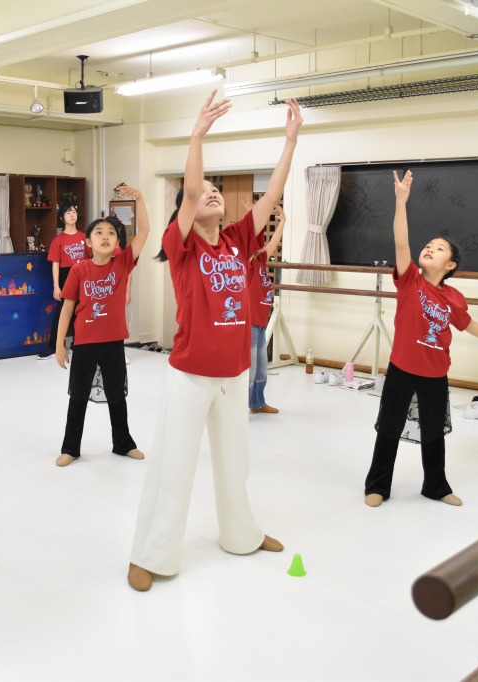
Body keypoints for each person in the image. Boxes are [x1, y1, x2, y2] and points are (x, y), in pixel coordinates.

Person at [127, 91, 299, 592]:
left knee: (235, 463)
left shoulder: (238, 240)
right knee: (174, 466)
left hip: (233, 374)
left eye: (216, 191)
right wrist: (197, 135)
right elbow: (189, 192)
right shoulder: (179, 246)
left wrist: (290, 143)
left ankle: (242, 534)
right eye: (204, 192)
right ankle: (150, 554)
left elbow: (271, 195)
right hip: (190, 373)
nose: (212, 194)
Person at [363, 171, 478, 508]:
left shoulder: (453, 297)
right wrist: (401, 202)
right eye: (428, 245)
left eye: (438, 249)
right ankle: (377, 485)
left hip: (435, 372)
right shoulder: (410, 280)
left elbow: (468, 325)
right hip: (402, 367)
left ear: (449, 265)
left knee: (434, 432)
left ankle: (435, 486)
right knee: (389, 428)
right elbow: (402, 243)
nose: (429, 249)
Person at [54, 184, 149, 467]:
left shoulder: (122, 264)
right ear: (87, 241)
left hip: (113, 342)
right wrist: (59, 345)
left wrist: (140, 197)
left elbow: (144, 232)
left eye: (111, 233)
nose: (105, 236)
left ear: (117, 241)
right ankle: (70, 448)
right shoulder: (79, 270)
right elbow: (67, 309)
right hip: (84, 343)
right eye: (99, 233)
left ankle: (123, 444)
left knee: (117, 396)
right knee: (78, 397)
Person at [248, 204, 286, 414]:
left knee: (262, 367)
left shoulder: (261, 260)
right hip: (249, 323)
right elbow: (250, 236)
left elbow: (273, 242)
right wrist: (254, 217)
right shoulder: (246, 264)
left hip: (261, 322)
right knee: (250, 367)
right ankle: (239, 406)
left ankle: (257, 403)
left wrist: (282, 222)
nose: (261, 245)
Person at [38, 203, 87, 359]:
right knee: (61, 313)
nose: (72, 214)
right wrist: (56, 286)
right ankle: (54, 346)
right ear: (61, 218)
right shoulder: (58, 240)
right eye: (67, 212)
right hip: (66, 276)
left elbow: (91, 260)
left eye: (74, 211)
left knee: (82, 312)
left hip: (83, 276)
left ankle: (77, 344)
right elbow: (55, 264)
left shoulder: (85, 237)